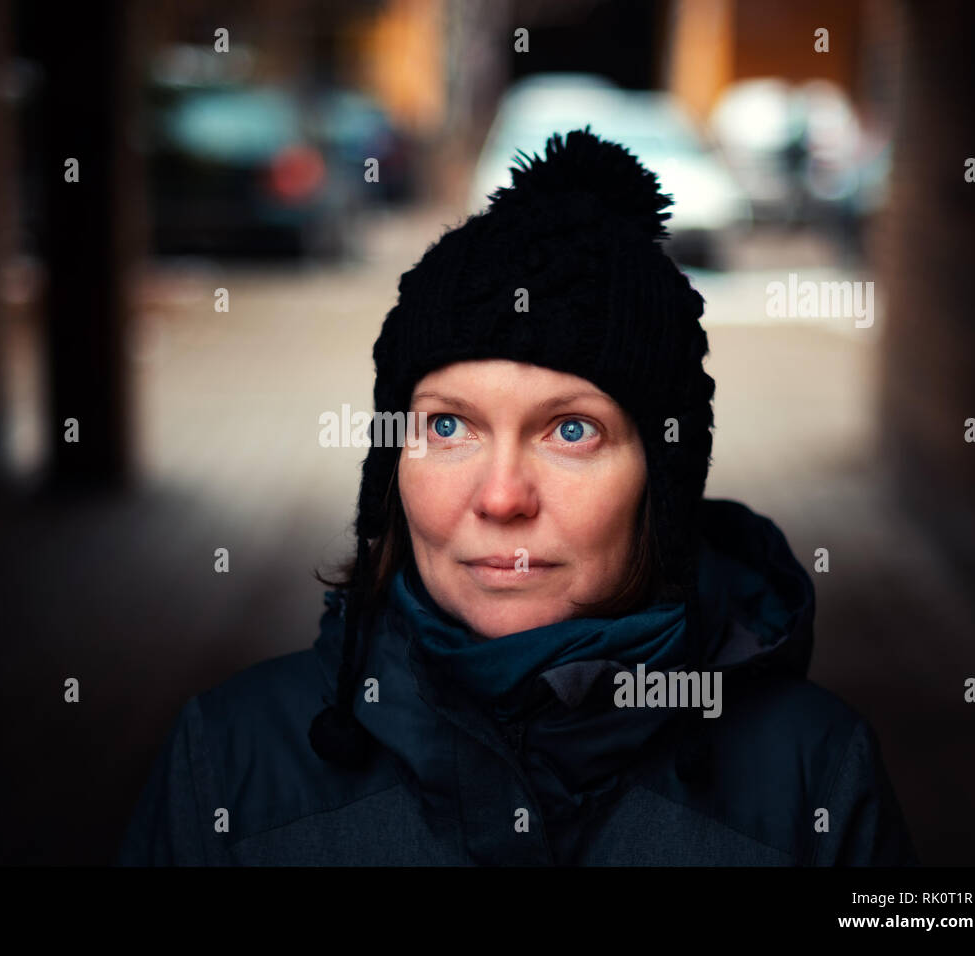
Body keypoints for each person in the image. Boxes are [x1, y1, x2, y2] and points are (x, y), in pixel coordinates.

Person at [117, 128, 918, 866]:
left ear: (663, 488)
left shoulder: (816, 776)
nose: (501, 497)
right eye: (449, 428)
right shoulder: (226, 761)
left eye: (572, 432)